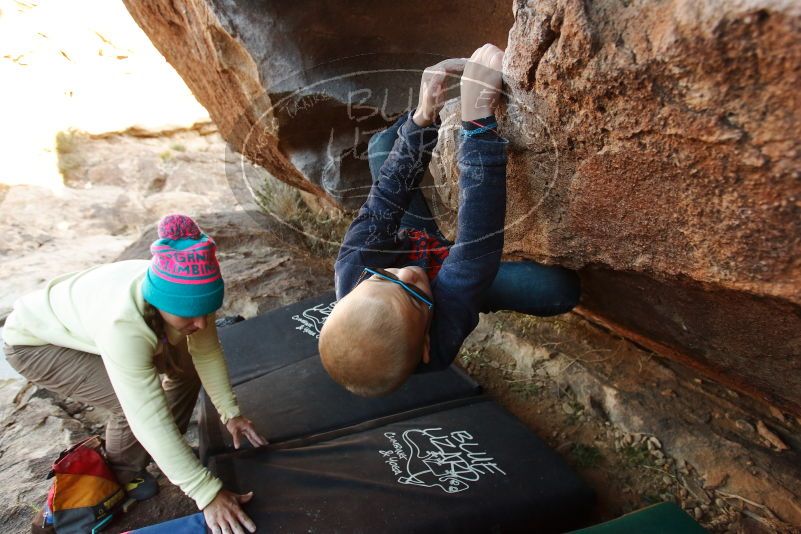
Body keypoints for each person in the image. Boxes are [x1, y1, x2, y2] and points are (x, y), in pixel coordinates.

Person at [319, 44, 580, 397]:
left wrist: (424, 116)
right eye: (412, 295)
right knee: (558, 290)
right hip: (453, 284)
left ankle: (422, 125)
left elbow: (385, 200)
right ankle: (476, 296)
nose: (408, 274)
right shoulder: (439, 345)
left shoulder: (354, 267)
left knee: (386, 146)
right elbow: (477, 244)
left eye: (385, 276)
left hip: (418, 238)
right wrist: (476, 122)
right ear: (425, 343)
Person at [3, 214, 265, 534]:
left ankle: (151, 454)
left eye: (207, 312)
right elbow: (145, 415)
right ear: (159, 303)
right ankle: (119, 477)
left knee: (185, 368)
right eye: (190, 317)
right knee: (128, 407)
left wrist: (230, 413)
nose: (201, 324)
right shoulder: (123, 325)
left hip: (86, 321)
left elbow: (206, 353)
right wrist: (206, 492)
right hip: (35, 341)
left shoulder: (188, 296)